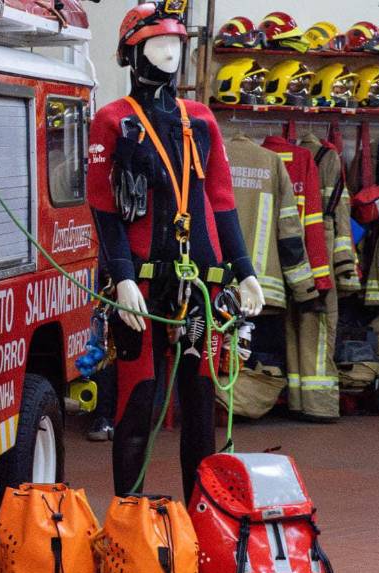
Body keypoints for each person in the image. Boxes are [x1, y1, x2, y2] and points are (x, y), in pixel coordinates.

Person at [86, 3, 265, 497]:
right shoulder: (112, 120)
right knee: (139, 400)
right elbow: (103, 209)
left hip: (202, 286)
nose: (169, 53)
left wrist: (244, 271)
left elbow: (222, 201)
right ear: (130, 54)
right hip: (141, 287)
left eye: (175, 44)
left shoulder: (201, 120)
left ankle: (202, 518)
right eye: (157, 43)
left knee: (201, 406)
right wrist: (122, 276)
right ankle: (130, 517)